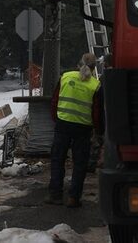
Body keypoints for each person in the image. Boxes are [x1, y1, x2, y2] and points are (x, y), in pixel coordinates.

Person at [46, 52, 102, 208]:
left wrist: (55, 119)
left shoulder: (65, 77)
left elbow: (54, 100)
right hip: (83, 128)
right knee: (80, 163)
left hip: (63, 124)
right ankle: (73, 198)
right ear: (93, 67)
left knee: (58, 159)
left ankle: (55, 194)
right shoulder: (95, 85)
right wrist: (98, 131)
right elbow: (96, 112)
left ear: (78, 64)